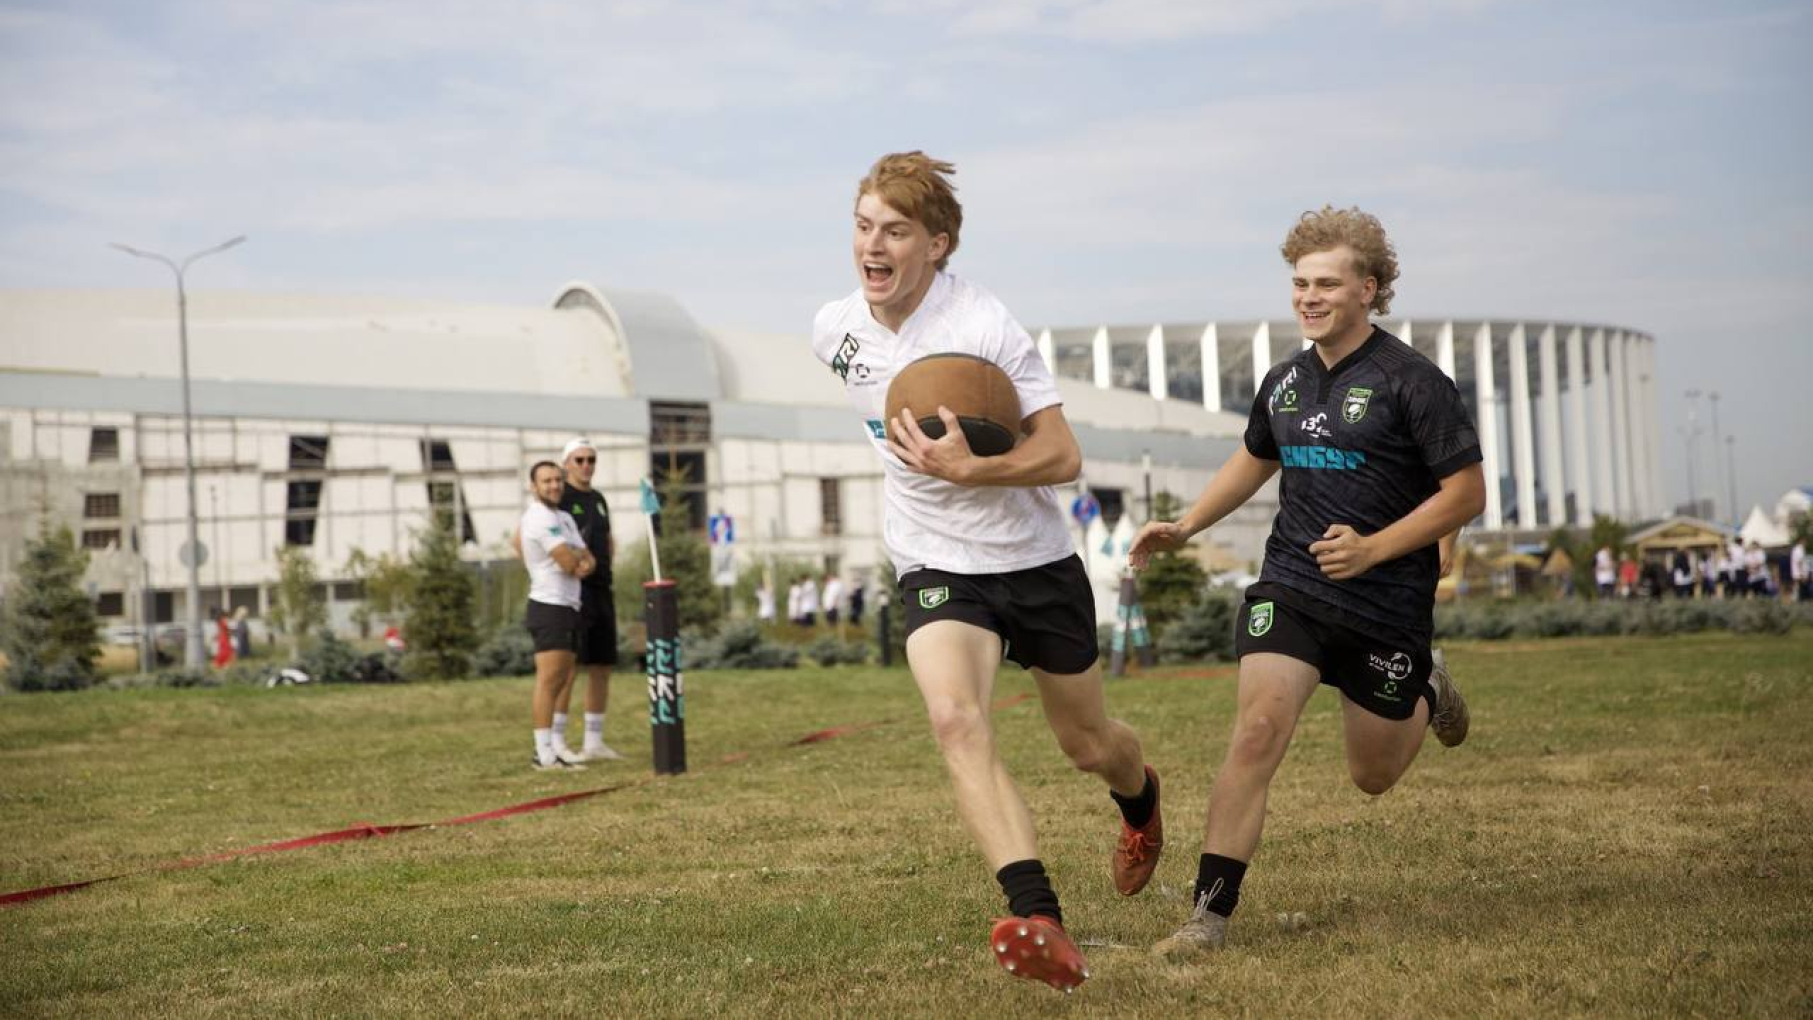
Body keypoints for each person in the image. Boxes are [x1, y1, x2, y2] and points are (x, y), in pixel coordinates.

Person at [810, 151, 1161, 991]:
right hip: (934, 559)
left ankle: (1140, 796)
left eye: (894, 230)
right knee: (954, 719)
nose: (873, 245)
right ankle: (1039, 916)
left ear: (937, 245)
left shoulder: (984, 327)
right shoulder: (834, 330)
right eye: (862, 226)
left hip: (1033, 560)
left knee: (1087, 745)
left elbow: (1062, 454)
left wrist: (974, 469)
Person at [1129, 205, 1483, 957]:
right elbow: (1255, 457)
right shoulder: (1282, 381)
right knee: (1256, 730)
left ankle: (1425, 686)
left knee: (1372, 775)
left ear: (1369, 288)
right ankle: (1207, 920)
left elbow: (1465, 494)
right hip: (1291, 583)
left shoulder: (1413, 382)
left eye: (1326, 283)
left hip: (1384, 601)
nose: (1308, 297)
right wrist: (1186, 524)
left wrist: (1375, 549)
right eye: (1298, 284)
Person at [517, 460, 596, 771]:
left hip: (568, 605)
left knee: (565, 677)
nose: (554, 486)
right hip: (548, 606)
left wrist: (580, 559)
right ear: (533, 486)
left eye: (557, 480)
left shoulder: (563, 517)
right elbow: (569, 563)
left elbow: (588, 559)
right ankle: (543, 753)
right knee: (549, 680)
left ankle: (554, 747)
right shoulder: (537, 518)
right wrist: (576, 558)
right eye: (546, 481)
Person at [551, 439, 623, 762]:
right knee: (568, 668)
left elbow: (606, 538)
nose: (586, 466)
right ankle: (556, 740)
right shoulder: (559, 498)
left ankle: (593, 741)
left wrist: (607, 560)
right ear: (566, 463)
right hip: (574, 592)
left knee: (602, 664)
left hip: (602, 589)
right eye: (579, 460)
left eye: (591, 460)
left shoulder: (598, 499)